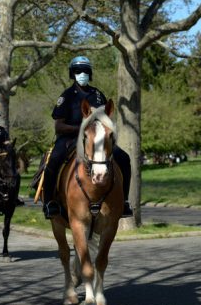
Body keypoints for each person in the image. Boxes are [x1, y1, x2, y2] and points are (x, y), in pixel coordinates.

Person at [41, 55, 133, 219]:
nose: (81, 73)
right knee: (53, 160)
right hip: (70, 138)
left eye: (85, 71)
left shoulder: (98, 95)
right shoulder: (67, 96)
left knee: (124, 158)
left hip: (97, 140)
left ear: (89, 73)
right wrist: (81, 129)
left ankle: (124, 201)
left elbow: (106, 120)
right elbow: (58, 125)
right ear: (72, 73)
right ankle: (50, 203)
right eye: (78, 71)